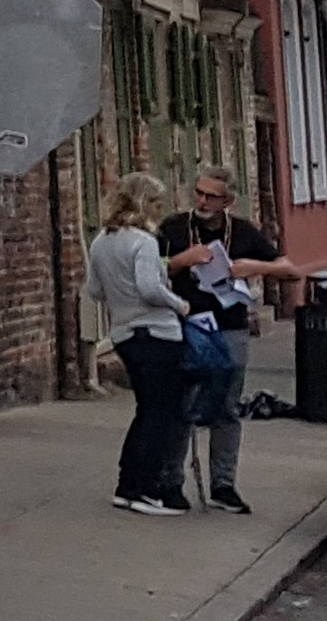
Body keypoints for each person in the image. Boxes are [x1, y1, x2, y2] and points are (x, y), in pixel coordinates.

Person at [163, 166, 305, 516]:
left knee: (227, 405)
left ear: (227, 200)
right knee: (182, 403)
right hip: (187, 322)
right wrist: (184, 260)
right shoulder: (175, 227)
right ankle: (171, 482)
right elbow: (150, 270)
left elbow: (291, 269)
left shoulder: (241, 231)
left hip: (229, 326)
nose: (202, 201)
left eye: (211, 195)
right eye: (198, 192)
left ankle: (223, 484)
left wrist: (254, 267)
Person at [85, 169, 193, 514]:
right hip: (157, 333)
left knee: (146, 411)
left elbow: (95, 290)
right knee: (160, 414)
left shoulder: (102, 240)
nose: (160, 211)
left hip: (124, 334)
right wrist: (179, 304)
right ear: (145, 203)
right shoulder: (143, 242)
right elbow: (149, 288)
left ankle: (127, 484)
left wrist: (121, 297)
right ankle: (145, 488)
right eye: (157, 203)